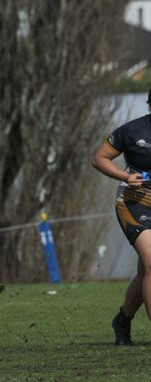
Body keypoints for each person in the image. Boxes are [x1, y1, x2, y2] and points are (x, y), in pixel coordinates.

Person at [91, 89, 151, 346]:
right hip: (135, 203)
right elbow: (99, 158)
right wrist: (125, 177)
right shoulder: (131, 131)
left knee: (146, 270)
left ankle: (123, 319)